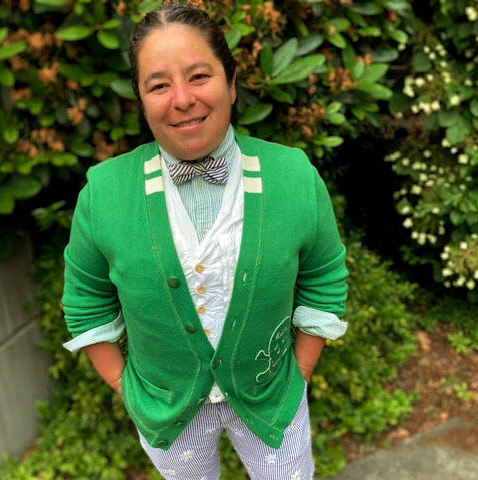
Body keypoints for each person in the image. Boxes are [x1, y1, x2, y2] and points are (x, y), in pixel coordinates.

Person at [62, 3, 348, 480]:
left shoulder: (293, 175)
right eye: (158, 85)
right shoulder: (104, 193)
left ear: (231, 84)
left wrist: (297, 374)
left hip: (273, 398)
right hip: (167, 410)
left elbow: (324, 276)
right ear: (141, 97)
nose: (181, 99)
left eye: (199, 76)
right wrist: (125, 387)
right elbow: (87, 301)